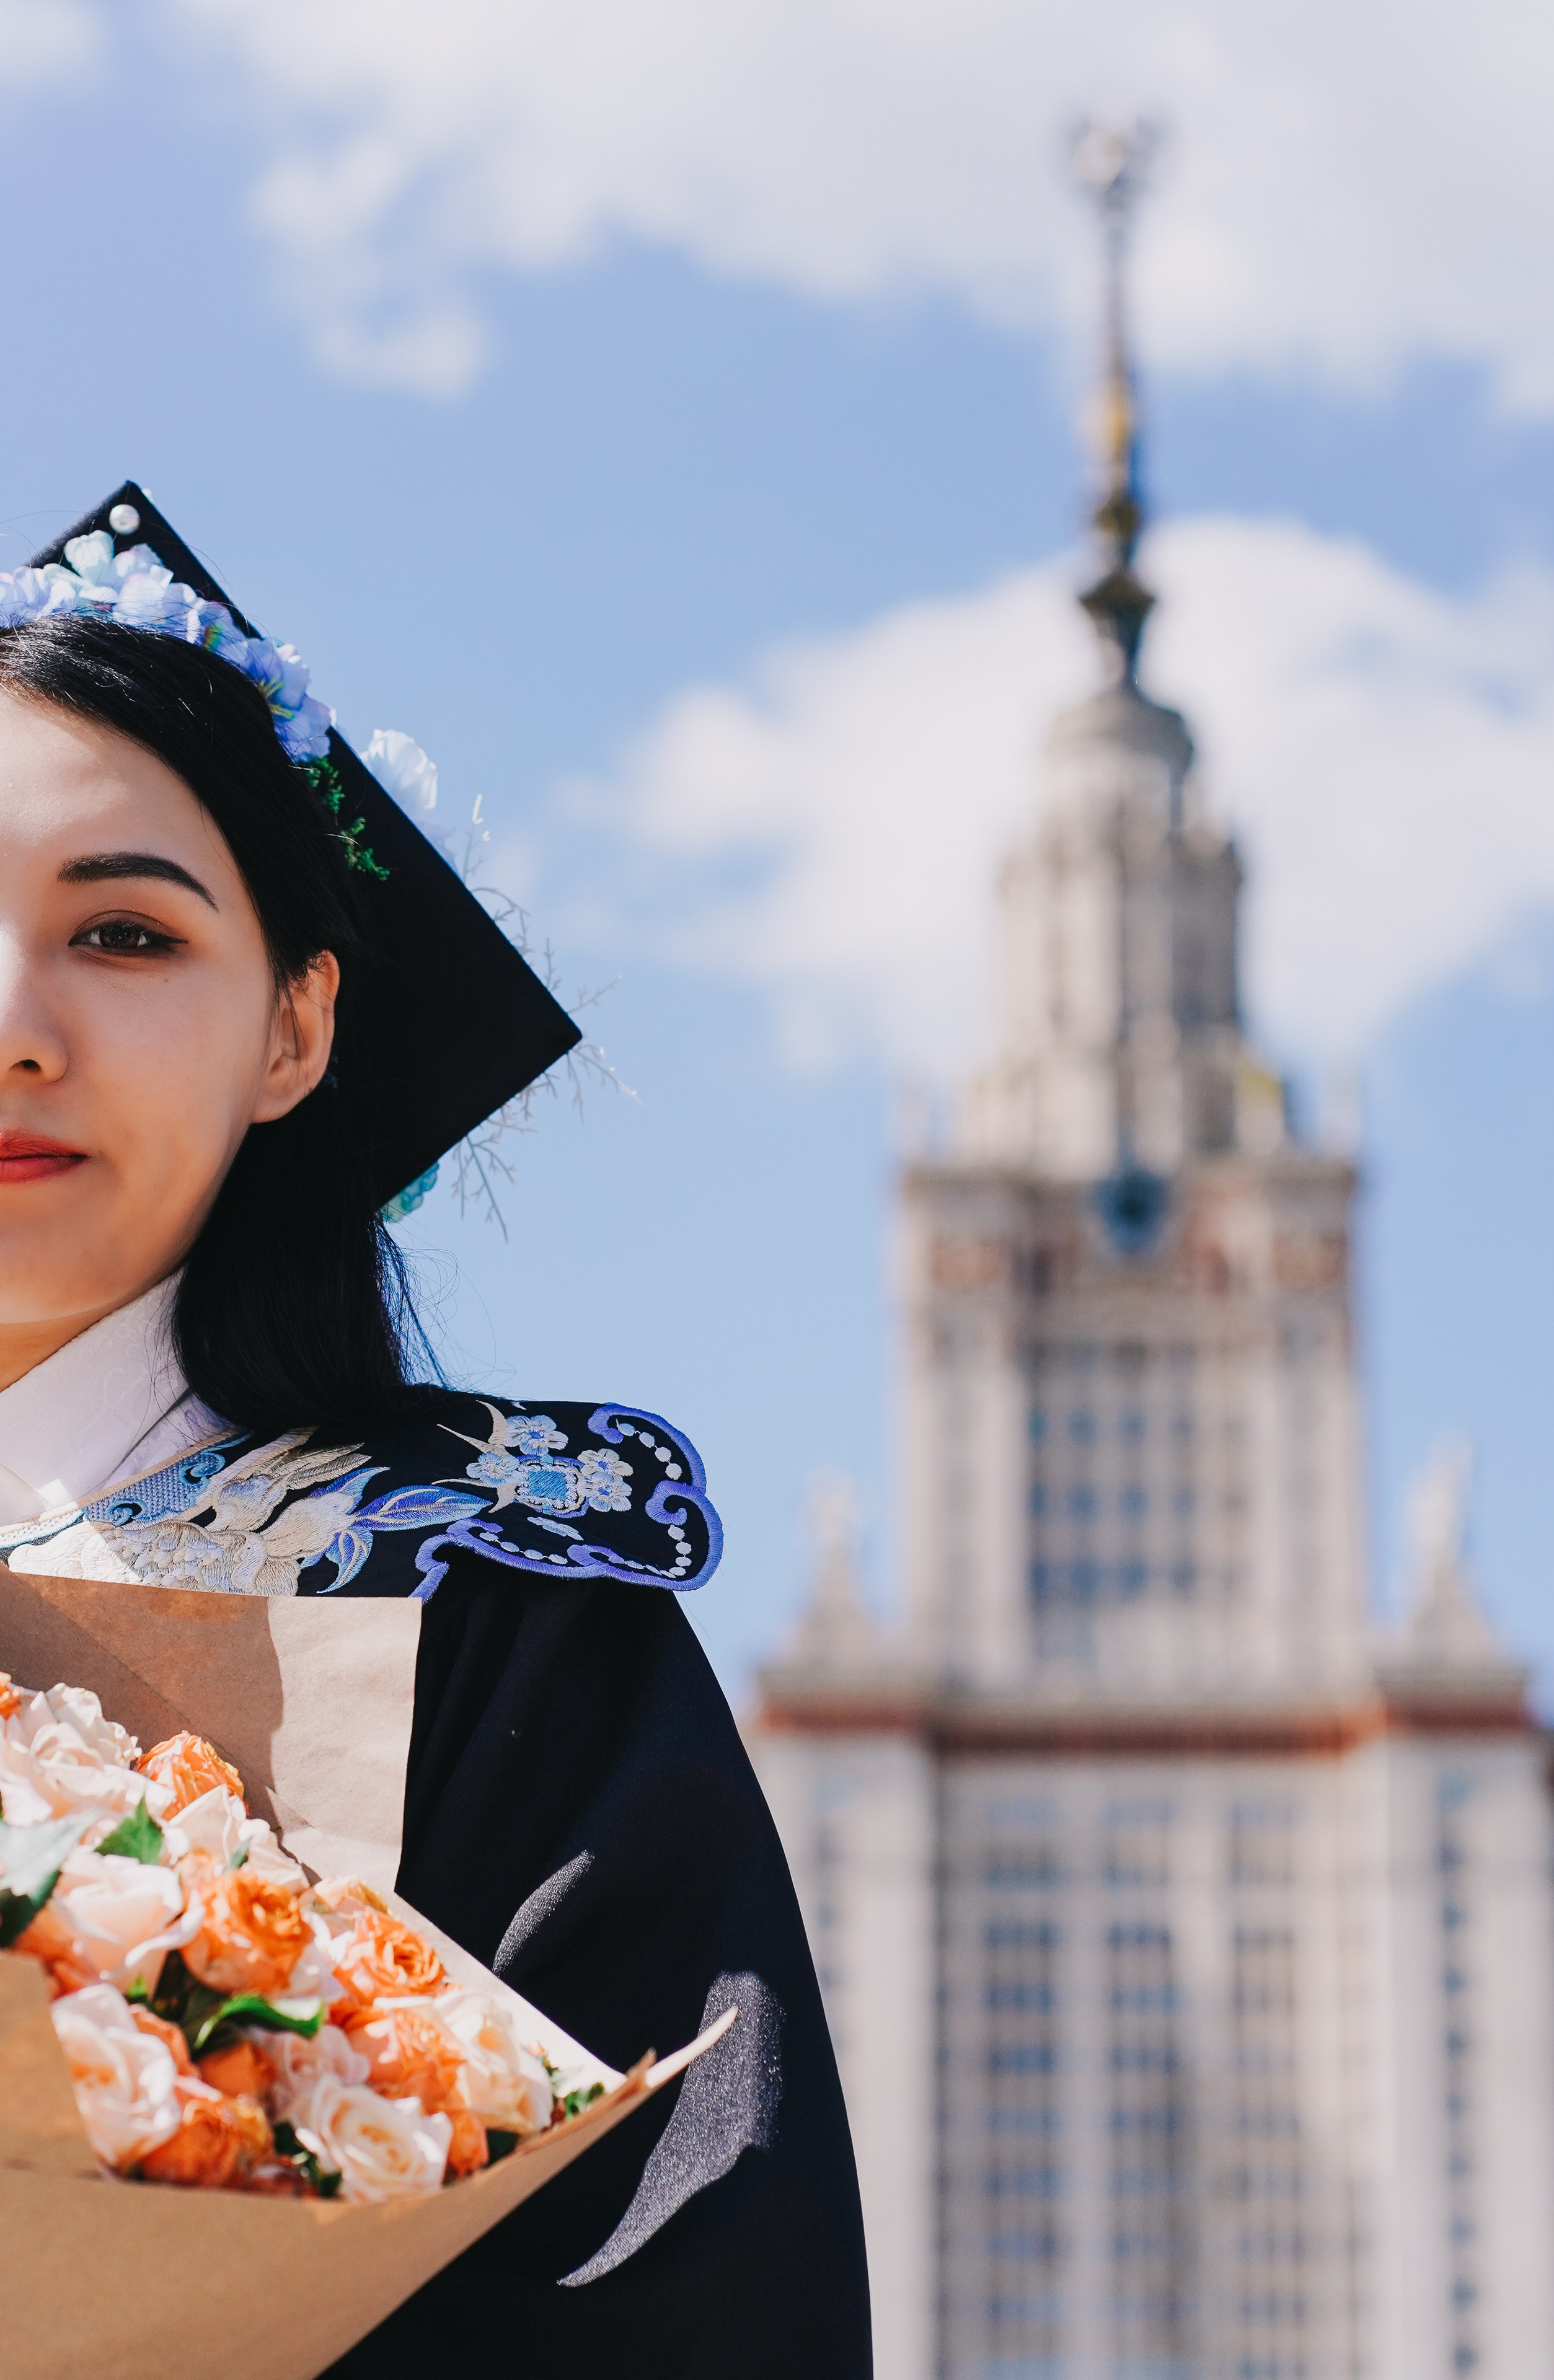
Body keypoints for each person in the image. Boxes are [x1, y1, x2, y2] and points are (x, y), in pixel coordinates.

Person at [0, 489, 872, 2376]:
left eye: (125, 935)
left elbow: (700, 2300)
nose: (13, 1022)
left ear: (295, 1032)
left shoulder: (480, 1598)